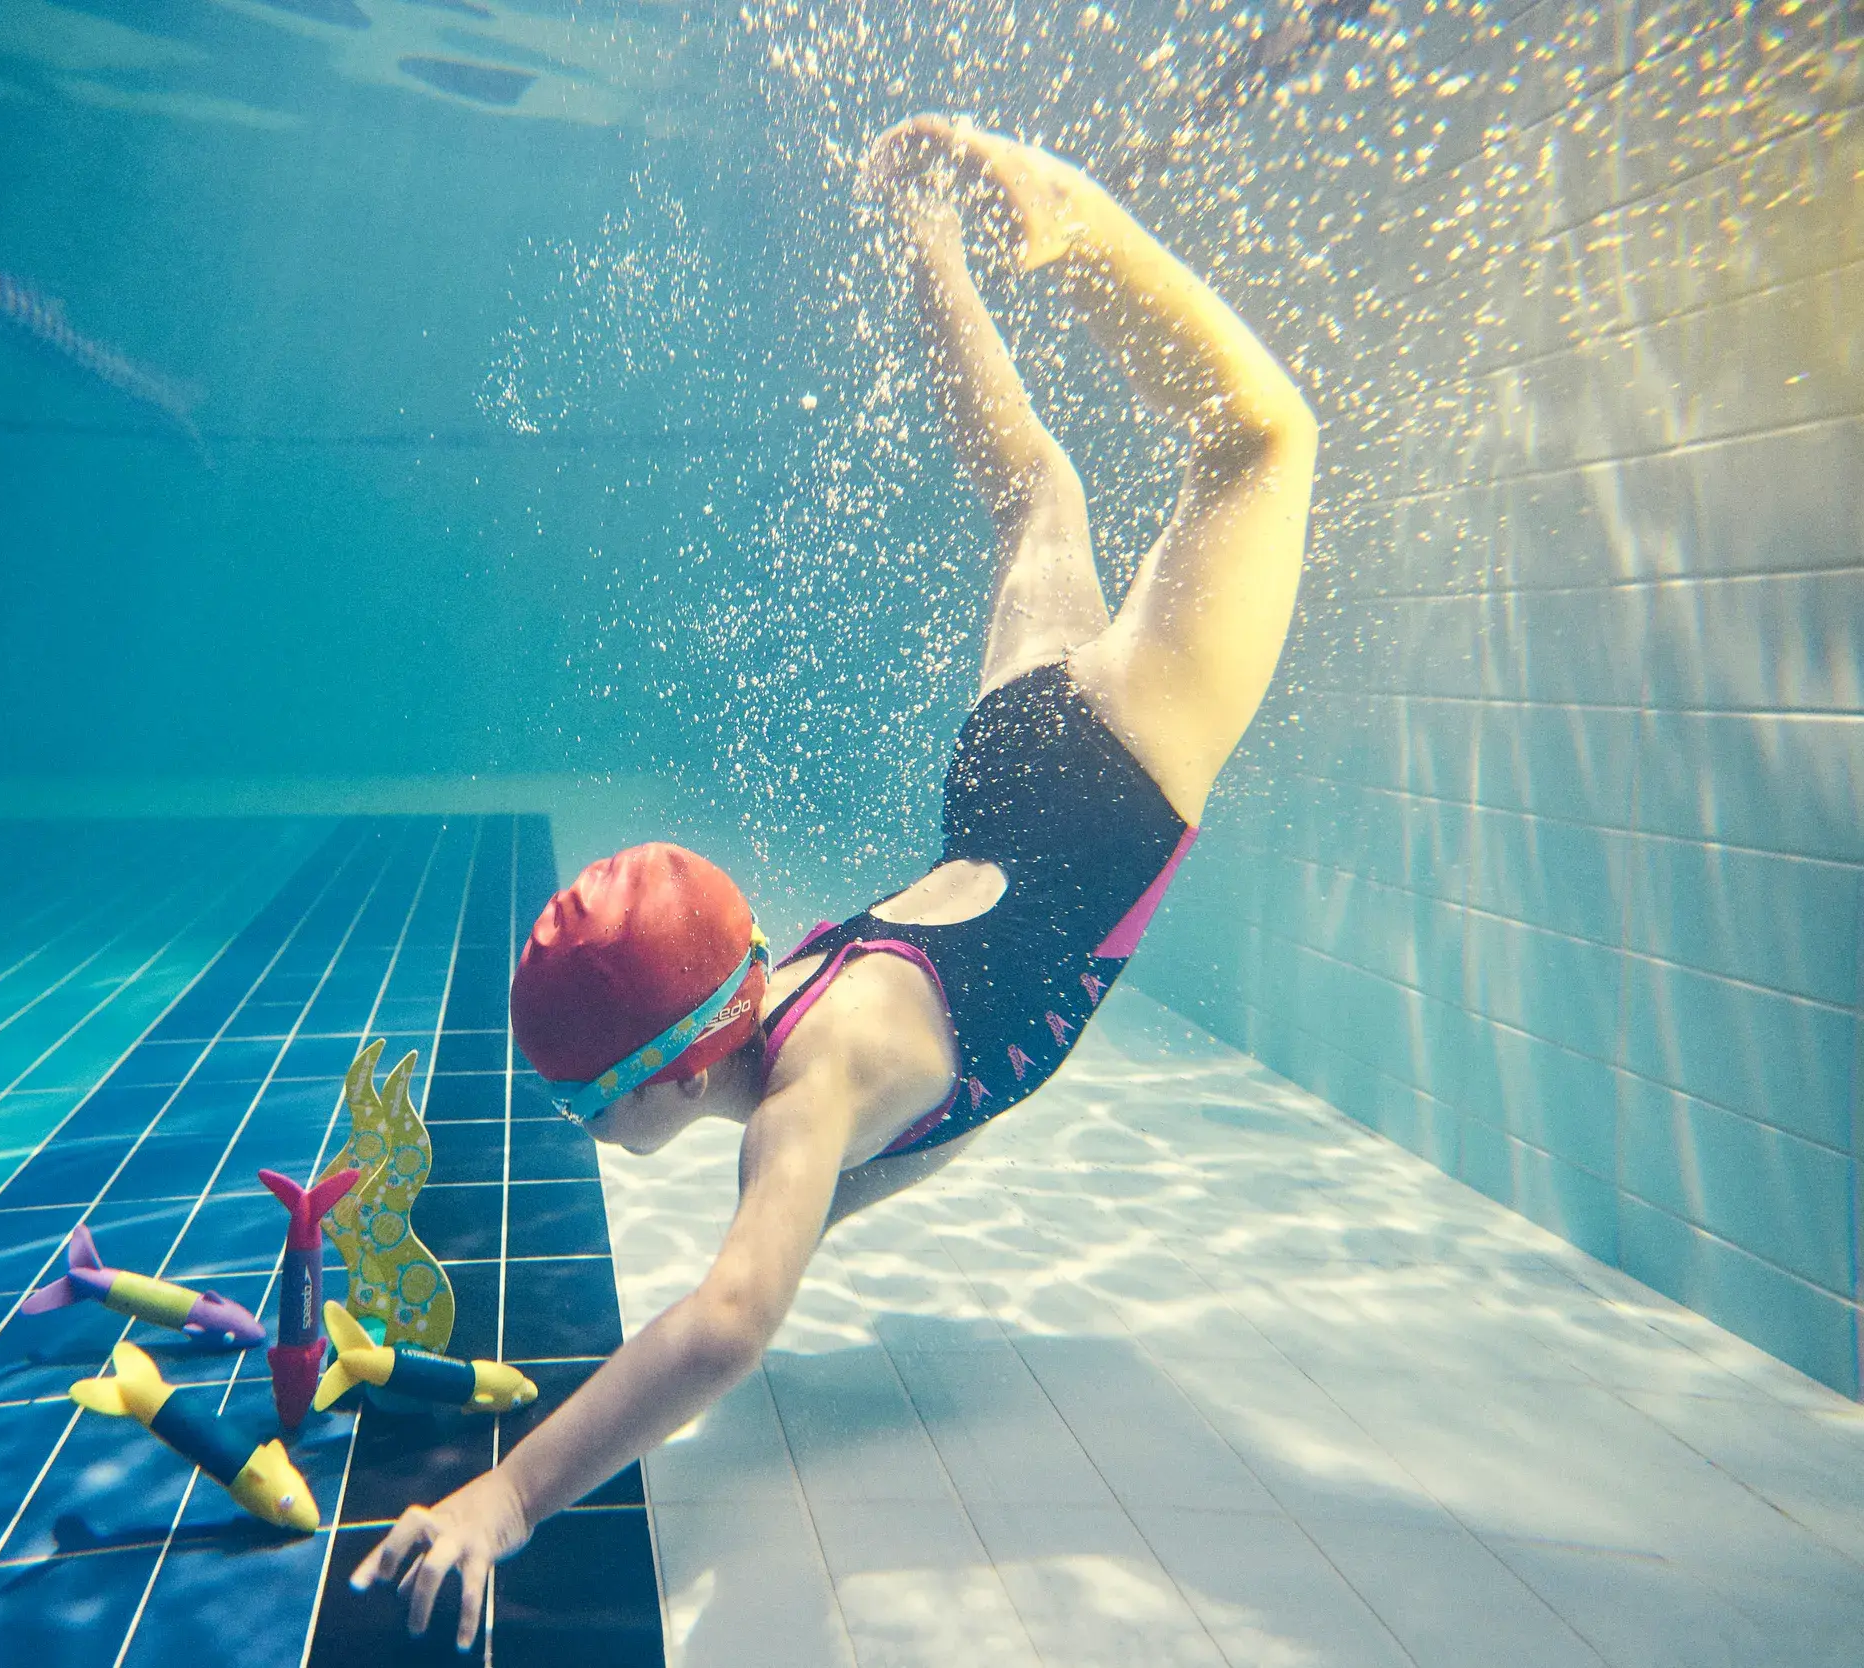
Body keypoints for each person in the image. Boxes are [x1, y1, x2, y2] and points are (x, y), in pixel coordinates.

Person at [349, 114, 1317, 1648]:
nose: (586, 1127)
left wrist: (505, 1497)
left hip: (1104, 791)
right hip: (1011, 775)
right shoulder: (788, 1006)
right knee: (1037, 505)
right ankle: (931, 234)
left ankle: (1077, 223)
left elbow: (732, 1321)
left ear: (661, 1089)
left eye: (583, 1099)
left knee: (1260, 441)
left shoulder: (821, 1074)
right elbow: (883, 1161)